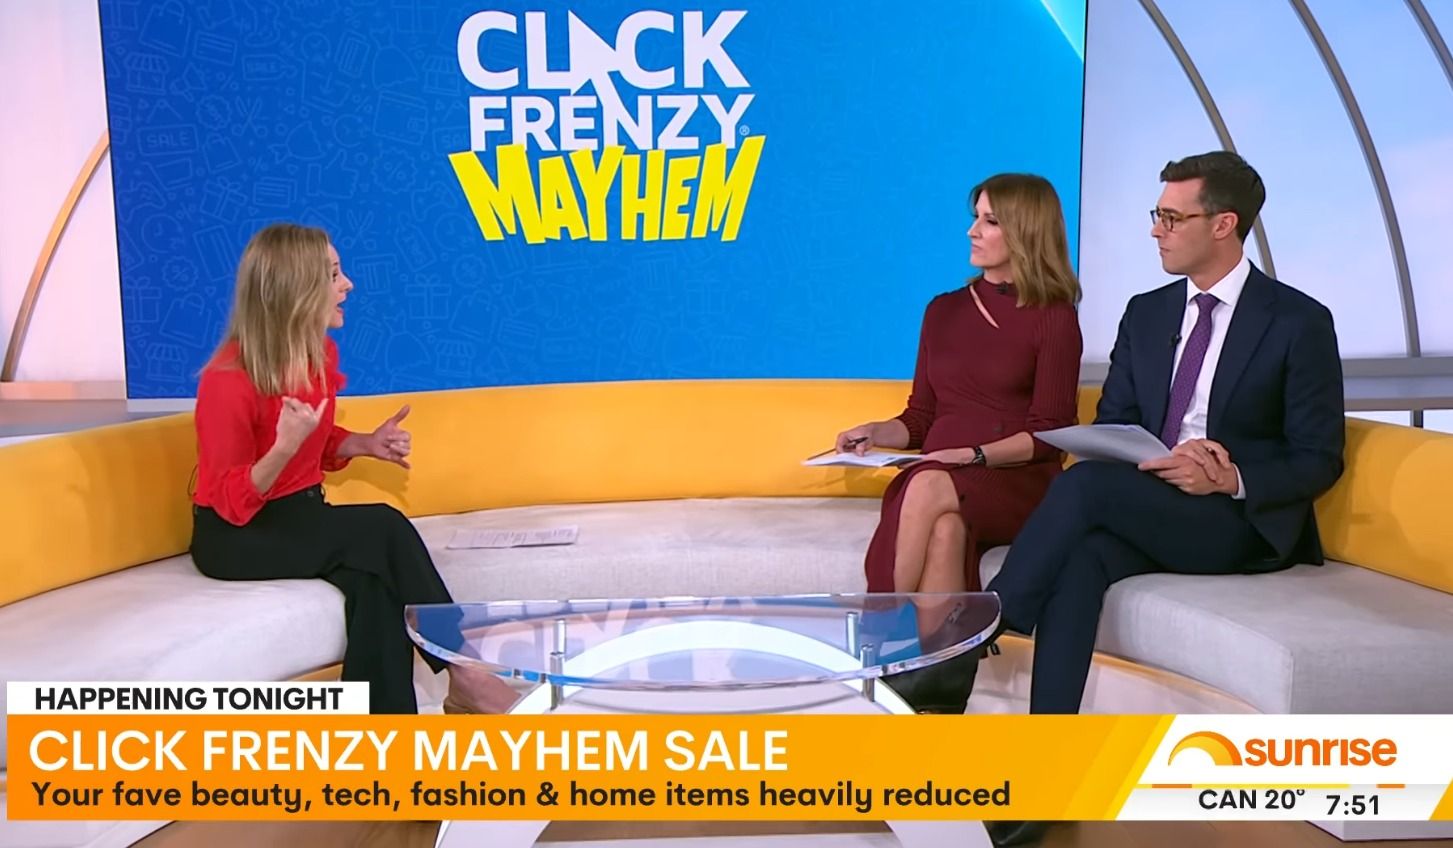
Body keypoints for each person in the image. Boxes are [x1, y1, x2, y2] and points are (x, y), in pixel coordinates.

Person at [968, 152, 1344, 847]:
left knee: (1083, 488)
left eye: (1172, 217)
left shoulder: (1297, 320)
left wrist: (1227, 476)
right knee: (1081, 562)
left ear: (1223, 224)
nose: (1156, 230)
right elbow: (1115, 421)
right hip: (1147, 499)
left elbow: (1317, 456)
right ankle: (1047, 782)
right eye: (1156, 215)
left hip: (1236, 521)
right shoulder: (1146, 314)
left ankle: (985, 626)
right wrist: (1142, 456)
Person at [188, 223, 517, 715]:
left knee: (375, 585)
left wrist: (364, 443)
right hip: (236, 537)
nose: (348, 285)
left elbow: (314, 439)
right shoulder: (227, 379)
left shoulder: (317, 354)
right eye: (333, 275)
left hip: (299, 515)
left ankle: (381, 733)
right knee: (383, 526)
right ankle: (466, 673)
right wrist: (281, 449)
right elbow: (231, 502)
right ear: (296, 289)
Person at [832, 173, 1083, 713]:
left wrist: (971, 455)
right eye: (975, 218)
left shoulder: (1054, 318)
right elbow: (920, 418)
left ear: (1025, 231)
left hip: (1014, 481)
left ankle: (874, 639)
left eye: (990, 221)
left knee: (925, 485)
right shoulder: (942, 310)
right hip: (944, 475)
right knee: (945, 529)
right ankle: (936, 689)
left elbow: (1050, 434)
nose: (972, 231)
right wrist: (876, 432)